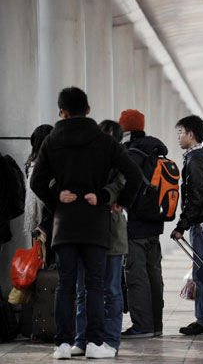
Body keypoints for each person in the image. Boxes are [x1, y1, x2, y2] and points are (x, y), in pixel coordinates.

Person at [30, 87, 142, 360]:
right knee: (95, 285)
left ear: (62, 112)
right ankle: (94, 343)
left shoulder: (53, 139)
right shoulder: (103, 140)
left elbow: (36, 182)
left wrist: (57, 197)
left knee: (67, 284)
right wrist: (111, 199)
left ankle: (64, 345)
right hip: (95, 222)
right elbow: (134, 175)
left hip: (65, 223)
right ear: (89, 109)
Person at [73, 120, 129, 355]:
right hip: (86, 232)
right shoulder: (83, 158)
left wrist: (105, 196)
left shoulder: (122, 163)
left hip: (112, 233)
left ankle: (110, 341)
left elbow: (122, 185)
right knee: (83, 289)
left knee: (111, 290)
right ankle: (81, 339)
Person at [118, 109, 169, 338]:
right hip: (154, 223)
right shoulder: (156, 153)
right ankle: (156, 325)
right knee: (153, 274)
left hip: (135, 224)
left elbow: (123, 186)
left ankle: (142, 326)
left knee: (136, 275)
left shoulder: (131, 154)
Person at [170, 115, 203, 335]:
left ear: (191, 135)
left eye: (180, 132)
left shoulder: (196, 160)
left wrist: (182, 225)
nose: (179, 137)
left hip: (202, 224)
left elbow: (196, 197)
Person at [23, 124, 54, 264]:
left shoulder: (37, 165)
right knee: (42, 261)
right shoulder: (30, 166)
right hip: (38, 222)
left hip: (48, 222)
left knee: (48, 260)